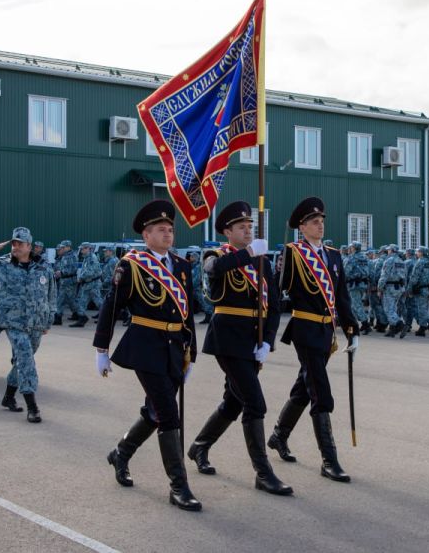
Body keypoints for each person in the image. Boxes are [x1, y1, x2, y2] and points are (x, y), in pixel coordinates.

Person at [93, 200, 201, 511]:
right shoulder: (131, 264)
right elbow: (111, 306)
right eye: (161, 230)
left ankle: (121, 453)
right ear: (146, 235)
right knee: (169, 413)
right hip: (145, 346)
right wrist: (102, 348)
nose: (168, 234)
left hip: (173, 348)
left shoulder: (181, 266)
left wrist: (190, 351)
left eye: (170, 229)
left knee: (155, 410)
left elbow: (188, 313)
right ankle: (179, 487)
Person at [186, 201, 291, 496]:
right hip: (228, 339)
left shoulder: (263, 261)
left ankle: (199, 446)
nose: (248, 231)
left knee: (234, 401)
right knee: (255, 403)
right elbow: (214, 270)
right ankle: (263, 473)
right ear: (227, 231)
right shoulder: (217, 255)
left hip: (253, 341)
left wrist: (268, 340)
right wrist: (248, 253)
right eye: (242, 227)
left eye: (250, 227)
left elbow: (274, 305)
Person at [269, 197, 358, 483]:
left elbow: (341, 297)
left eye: (322, 222)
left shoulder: (333, 255)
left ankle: (279, 435)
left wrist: (351, 330)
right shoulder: (292, 253)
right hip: (305, 330)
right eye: (314, 222)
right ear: (302, 227)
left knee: (304, 387)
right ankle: (329, 460)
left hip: (326, 331)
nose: (320, 226)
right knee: (320, 390)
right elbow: (276, 289)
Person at [0, 227, 56, 423]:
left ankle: (9, 396)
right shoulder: (1, 266)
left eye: (20, 243)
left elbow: (51, 296)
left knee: (21, 362)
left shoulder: (43, 268)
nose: (16, 246)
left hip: (36, 323)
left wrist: (49, 320)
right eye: (13, 243)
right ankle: (32, 405)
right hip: (12, 322)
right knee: (26, 359)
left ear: (29, 246)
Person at [377, 245, 407, 338]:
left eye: (389, 250)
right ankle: (392, 330)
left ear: (392, 251)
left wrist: (379, 288)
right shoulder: (402, 261)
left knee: (388, 309)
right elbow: (405, 276)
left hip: (390, 287)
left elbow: (384, 275)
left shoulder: (389, 260)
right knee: (393, 308)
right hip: (399, 288)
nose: (387, 251)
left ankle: (400, 324)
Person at [71, 242, 103, 327]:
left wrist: (80, 277)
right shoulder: (86, 258)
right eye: (81, 248)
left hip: (93, 285)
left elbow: (90, 272)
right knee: (81, 302)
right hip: (87, 284)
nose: (81, 250)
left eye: (83, 248)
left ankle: (108, 316)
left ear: (88, 249)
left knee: (99, 302)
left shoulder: (92, 258)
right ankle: (82, 319)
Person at [408, 247, 429, 336]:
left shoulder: (420, 262)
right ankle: (422, 328)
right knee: (424, 309)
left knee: (422, 310)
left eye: (417, 251)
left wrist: (410, 289)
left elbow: (414, 277)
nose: (416, 253)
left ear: (421, 253)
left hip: (420, 289)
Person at [344, 241, 371, 334]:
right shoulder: (364, 257)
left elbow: (346, 272)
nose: (349, 249)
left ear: (354, 248)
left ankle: (365, 324)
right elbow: (368, 271)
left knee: (356, 305)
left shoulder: (351, 258)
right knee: (354, 305)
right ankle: (356, 323)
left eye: (351, 247)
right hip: (363, 284)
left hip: (354, 284)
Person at [52, 240, 79, 325]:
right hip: (64, 281)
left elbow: (73, 269)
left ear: (68, 247)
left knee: (64, 300)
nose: (62, 249)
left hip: (69, 281)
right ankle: (77, 314)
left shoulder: (72, 256)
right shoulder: (65, 256)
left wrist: (62, 272)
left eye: (63, 247)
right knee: (67, 300)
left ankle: (59, 317)